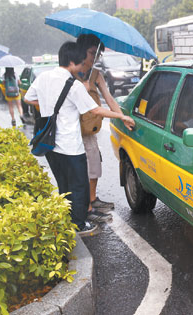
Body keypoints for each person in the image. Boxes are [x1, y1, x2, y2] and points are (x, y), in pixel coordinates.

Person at [24, 41, 135, 236]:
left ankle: (66, 219)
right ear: (73, 62)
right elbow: (95, 109)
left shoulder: (44, 77)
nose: (83, 66)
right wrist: (121, 116)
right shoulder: (73, 85)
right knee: (79, 186)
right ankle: (78, 224)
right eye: (82, 62)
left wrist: (47, 105)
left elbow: (28, 98)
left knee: (64, 185)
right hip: (70, 145)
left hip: (51, 145)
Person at [75, 34, 121, 222]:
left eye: (97, 54)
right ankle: (86, 207)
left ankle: (92, 200)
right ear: (81, 52)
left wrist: (121, 118)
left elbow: (108, 98)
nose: (94, 58)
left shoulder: (95, 75)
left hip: (90, 129)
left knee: (94, 166)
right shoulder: (72, 75)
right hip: (74, 132)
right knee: (82, 171)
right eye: (91, 53)